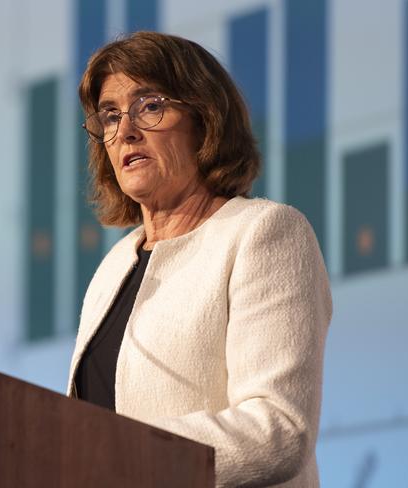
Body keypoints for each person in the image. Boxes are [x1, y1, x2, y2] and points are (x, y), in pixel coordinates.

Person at [67, 31, 332, 488]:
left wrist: (116, 453)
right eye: (110, 115)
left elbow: (278, 429)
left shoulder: (263, 233)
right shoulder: (113, 267)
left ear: (204, 119)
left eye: (149, 105)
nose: (125, 129)